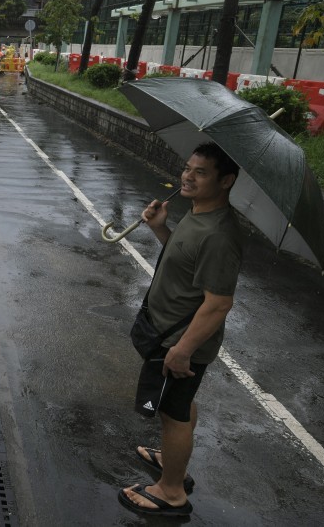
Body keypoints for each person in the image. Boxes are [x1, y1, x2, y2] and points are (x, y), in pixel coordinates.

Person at [118, 141, 243, 518]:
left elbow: (219, 302)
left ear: (227, 181)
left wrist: (183, 349)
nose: (187, 176)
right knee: (179, 406)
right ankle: (174, 460)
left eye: (201, 172)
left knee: (173, 414)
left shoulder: (219, 235)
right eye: (188, 168)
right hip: (166, 332)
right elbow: (186, 264)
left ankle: (171, 490)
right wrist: (161, 229)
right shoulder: (198, 212)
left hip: (178, 341)